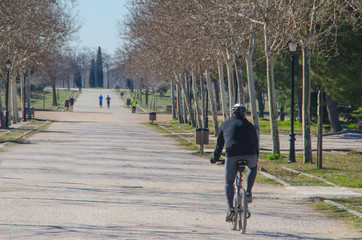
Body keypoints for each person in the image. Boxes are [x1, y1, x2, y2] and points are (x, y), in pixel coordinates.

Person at [210, 103, 259, 222]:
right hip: (250, 154)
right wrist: (256, 157)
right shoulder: (250, 126)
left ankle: (230, 209)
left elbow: (219, 145)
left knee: (229, 182)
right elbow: (256, 145)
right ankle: (248, 192)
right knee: (253, 167)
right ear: (244, 114)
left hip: (232, 155)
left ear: (232, 113)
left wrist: (215, 158)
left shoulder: (225, 124)